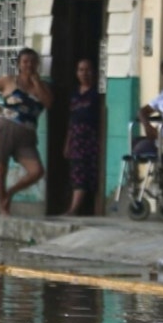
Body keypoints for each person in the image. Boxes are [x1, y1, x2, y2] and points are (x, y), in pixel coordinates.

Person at [0, 47, 53, 215]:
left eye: (32, 62)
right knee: (1, 168)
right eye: (25, 61)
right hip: (5, 129)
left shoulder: (43, 86)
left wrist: (36, 82)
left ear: (37, 64)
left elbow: (49, 104)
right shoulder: (8, 81)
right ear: (19, 64)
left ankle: (11, 192)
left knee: (37, 171)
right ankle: (4, 208)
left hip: (27, 136)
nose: (29, 65)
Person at [63, 59, 99, 216]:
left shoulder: (97, 93)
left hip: (90, 138)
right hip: (76, 139)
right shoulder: (75, 94)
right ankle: (74, 208)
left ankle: (75, 209)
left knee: (86, 172)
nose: (85, 73)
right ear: (76, 73)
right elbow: (72, 119)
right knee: (77, 171)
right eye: (81, 70)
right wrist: (67, 142)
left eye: (88, 69)